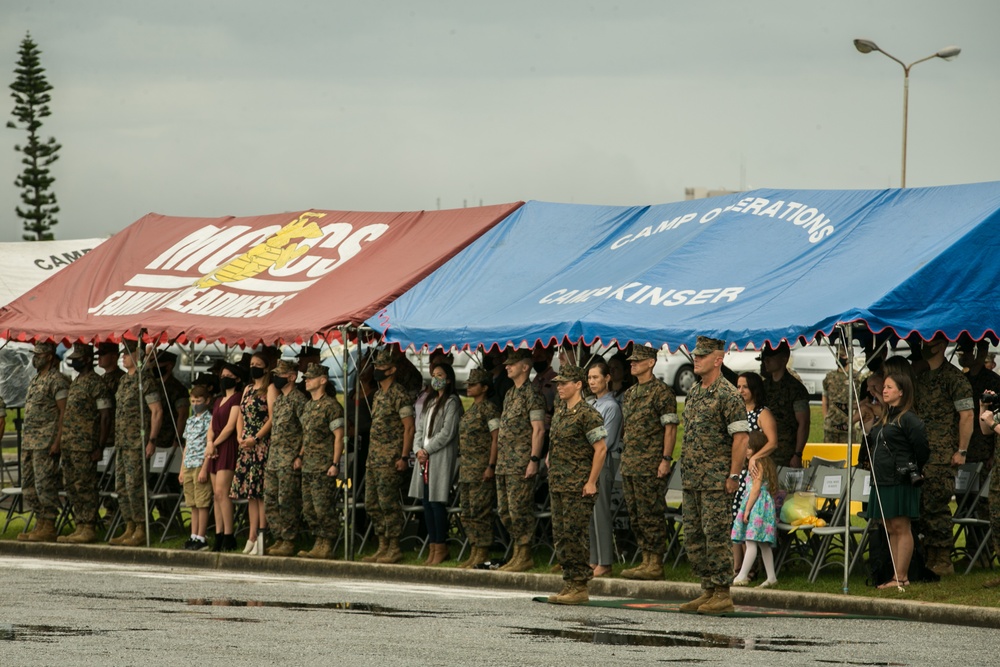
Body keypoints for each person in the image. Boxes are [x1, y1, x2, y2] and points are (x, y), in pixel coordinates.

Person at [678, 336, 750, 615]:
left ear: (718, 360)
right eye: (695, 355)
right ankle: (707, 588)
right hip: (693, 479)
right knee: (694, 536)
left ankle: (722, 592)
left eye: (702, 356)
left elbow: (741, 438)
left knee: (716, 535)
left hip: (716, 479)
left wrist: (733, 474)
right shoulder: (695, 392)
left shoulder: (728, 394)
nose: (696, 359)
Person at [545, 364, 607, 605]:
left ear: (578, 385)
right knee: (561, 535)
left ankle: (580, 585)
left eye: (564, 383)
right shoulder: (561, 410)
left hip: (578, 485)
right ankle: (569, 581)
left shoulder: (588, 414)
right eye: (558, 383)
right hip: (559, 483)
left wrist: (591, 481)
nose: (559, 387)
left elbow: (600, 449)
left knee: (575, 535)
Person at [913, 333, 974, 576]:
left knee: (936, 506)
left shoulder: (954, 379)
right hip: (922, 454)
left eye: (931, 342)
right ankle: (928, 555)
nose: (926, 347)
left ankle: (942, 559)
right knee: (922, 507)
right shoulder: (921, 377)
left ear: (942, 345)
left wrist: (962, 450)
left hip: (942, 455)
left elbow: (967, 416)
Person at [619, 345, 677, 581]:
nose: (632, 364)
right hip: (631, 463)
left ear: (651, 362)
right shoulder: (631, 393)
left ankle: (656, 562)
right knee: (635, 514)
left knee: (651, 513)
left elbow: (670, 429)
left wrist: (665, 459)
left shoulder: (661, 393)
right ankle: (645, 559)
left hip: (651, 465)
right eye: (631, 360)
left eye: (637, 360)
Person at [867, 371, 929, 589]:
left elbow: (922, 448)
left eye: (890, 387)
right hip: (881, 479)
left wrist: (912, 467)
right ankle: (895, 573)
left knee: (901, 526)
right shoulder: (886, 416)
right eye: (884, 387)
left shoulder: (908, 418)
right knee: (890, 525)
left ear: (902, 392)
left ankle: (901, 577)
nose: (884, 390)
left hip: (899, 480)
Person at [108, 340, 164, 548]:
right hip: (123, 442)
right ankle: (129, 525)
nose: (123, 357)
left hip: (137, 443)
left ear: (138, 356)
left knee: (135, 486)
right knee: (121, 486)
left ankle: (141, 527)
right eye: (122, 353)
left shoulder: (145, 380)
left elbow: (156, 411)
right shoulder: (124, 381)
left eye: (127, 353)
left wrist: (151, 440)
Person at [494, 348, 546, 572]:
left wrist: (534, 459)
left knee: (519, 510)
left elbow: (539, 430)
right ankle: (517, 551)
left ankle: (524, 554)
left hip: (521, 463)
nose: (507, 366)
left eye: (512, 363)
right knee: (505, 511)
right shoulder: (510, 394)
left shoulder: (532, 395)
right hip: (505, 463)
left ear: (525, 367)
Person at [362, 347, 415, 565]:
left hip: (390, 458)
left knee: (389, 504)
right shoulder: (377, 395)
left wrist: (403, 456)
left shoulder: (398, 394)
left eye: (382, 368)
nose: (377, 371)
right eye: (376, 367)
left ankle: (393, 547)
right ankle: (382, 545)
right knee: (372, 504)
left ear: (392, 370)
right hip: (374, 458)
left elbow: (409, 427)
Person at [57, 343, 111, 545]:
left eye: (78, 358)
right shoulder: (77, 381)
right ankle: (79, 524)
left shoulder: (96, 384)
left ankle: (88, 525)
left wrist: (100, 446)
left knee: (85, 486)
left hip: (86, 445)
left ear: (88, 359)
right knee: (71, 485)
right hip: (70, 444)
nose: (74, 361)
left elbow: (105, 417)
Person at [410, 363, 463, 565]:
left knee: (436, 501)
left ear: (448, 379)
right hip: (424, 458)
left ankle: (441, 546)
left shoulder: (452, 402)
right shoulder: (430, 402)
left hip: (438, 457)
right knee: (426, 502)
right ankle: (432, 546)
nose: (436, 378)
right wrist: (418, 450)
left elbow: (448, 432)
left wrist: (427, 450)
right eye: (433, 375)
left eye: (440, 375)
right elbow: (419, 430)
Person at [17, 342, 70, 543]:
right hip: (30, 442)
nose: (34, 358)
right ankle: (39, 521)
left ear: (49, 356)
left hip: (46, 443)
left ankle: (49, 524)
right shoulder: (36, 379)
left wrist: (58, 441)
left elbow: (64, 413)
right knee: (28, 486)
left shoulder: (57, 381)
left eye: (38, 354)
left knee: (44, 484)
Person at [296, 363, 345, 560]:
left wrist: (335, 464)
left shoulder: (331, 406)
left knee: (323, 507)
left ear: (323, 380)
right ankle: (318, 541)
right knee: (309, 508)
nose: (306, 381)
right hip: (308, 465)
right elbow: (306, 436)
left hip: (323, 466)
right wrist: (300, 456)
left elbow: (339, 437)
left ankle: (327, 543)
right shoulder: (308, 406)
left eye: (311, 377)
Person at [732, 371, 778, 574]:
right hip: (737, 470)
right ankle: (737, 565)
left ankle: (749, 569)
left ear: (754, 389)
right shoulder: (736, 410)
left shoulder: (762, 413)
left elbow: (772, 441)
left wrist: (754, 457)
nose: (740, 390)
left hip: (752, 471)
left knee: (747, 518)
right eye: (738, 386)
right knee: (736, 515)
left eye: (744, 387)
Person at [456, 367, 500, 569]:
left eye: (473, 385)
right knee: (466, 511)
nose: (469, 388)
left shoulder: (489, 409)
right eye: (468, 384)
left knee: (480, 511)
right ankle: (474, 548)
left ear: (484, 387)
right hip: (467, 469)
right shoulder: (471, 410)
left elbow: (495, 438)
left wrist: (491, 465)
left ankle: (482, 551)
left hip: (481, 468)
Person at [265, 359, 307, 557]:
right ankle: (279, 537)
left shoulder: (299, 400)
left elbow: (307, 431)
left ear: (292, 377)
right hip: (274, 458)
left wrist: (300, 455)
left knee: (287, 500)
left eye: (280, 374)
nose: (276, 378)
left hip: (289, 460)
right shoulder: (280, 400)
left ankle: (289, 540)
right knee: (270, 500)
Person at [232, 352, 273, 555]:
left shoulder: (270, 389)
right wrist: (240, 436)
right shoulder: (247, 389)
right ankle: (251, 534)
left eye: (258, 364)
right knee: (250, 494)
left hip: (260, 444)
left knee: (260, 493)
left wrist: (256, 438)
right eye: (251, 364)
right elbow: (240, 414)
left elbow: (272, 418)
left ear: (266, 368)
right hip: (246, 445)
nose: (253, 367)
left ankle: (262, 534)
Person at [586, 360, 622, 577]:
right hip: (588, 461)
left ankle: (605, 561)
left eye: (596, 377)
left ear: (607, 378)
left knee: (601, 512)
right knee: (590, 512)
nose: (592, 382)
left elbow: (604, 442)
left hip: (604, 461)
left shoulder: (612, 407)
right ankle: (593, 558)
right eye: (589, 378)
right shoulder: (591, 404)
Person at [731, 430, 779, 588]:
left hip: (757, 505)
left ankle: (742, 575)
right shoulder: (764, 462)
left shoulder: (756, 463)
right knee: (763, 543)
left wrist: (747, 509)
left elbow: (756, 488)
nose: (746, 451)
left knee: (750, 541)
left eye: (749, 448)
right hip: (764, 505)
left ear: (757, 448)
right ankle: (771, 577)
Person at [205, 363, 244, 552]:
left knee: (222, 492)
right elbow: (212, 425)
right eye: (222, 375)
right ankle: (219, 533)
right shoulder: (218, 400)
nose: (224, 378)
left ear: (237, 378)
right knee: (216, 495)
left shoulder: (237, 398)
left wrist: (215, 444)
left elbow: (230, 426)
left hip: (227, 446)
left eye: (229, 375)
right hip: (215, 447)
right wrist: (209, 442)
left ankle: (229, 534)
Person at [760, 341, 810, 467]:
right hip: (765, 451)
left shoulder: (795, 388)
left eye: (770, 357)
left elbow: (803, 423)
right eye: (765, 358)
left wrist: (797, 454)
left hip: (786, 454)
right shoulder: (764, 386)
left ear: (784, 359)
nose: (766, 361)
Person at [181, 384, 214, 551]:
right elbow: (186, 445)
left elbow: (210, 446)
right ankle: (193, 535)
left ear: (207, 401)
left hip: (200, 464)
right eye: (192, 401)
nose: (195, 404)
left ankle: (201, 537)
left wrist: (205, 468)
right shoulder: (190, 420)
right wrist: (182, 468)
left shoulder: (210, 420)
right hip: (189, 464)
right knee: (192, 502)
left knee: (202, 502)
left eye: (198, 401)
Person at [822, 345, 858, 443]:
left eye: (842, 355)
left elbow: (861, 402)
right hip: (830, 426)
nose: (838, 358)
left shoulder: (856, 378)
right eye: (837, 355)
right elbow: (825, 399)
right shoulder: (830, 377)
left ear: (849, 357)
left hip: (847, 427)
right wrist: (826, 418)